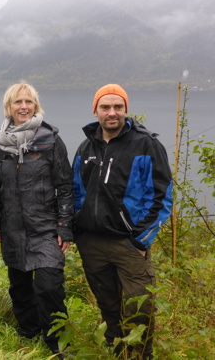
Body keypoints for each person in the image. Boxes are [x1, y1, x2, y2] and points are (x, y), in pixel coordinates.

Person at [72, 84, 173, 359]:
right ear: (96, 110)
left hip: (128, 243)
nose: (112, 112)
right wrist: (78, 231)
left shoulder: (146, 144)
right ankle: (115, 351)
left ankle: (140, 354)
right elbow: (77, 192)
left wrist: (140, 240)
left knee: (139, 307)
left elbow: (162, 197)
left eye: (118, 107)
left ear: (126, 109)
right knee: (108, 304)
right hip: (92, 242)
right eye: (105, 107)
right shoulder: (86, 146)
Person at [0, 82, 73, 358]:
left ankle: (58, 342)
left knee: (49, 286)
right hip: (13, 227)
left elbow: (65, 185)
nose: (23, 107)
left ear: (36, 106)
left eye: (29, 102)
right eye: (18, 102)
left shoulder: (49, 139)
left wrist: (64, 226)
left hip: (45, 227)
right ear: (8, 107)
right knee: (19, 285)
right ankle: (28, 331)